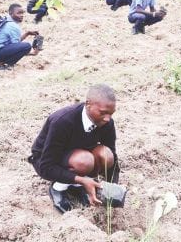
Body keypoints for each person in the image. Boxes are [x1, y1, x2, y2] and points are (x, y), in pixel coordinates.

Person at [29, 84, 119, 213]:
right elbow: (46, 167)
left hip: (78, 154)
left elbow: (113, 157)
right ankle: (58, 187)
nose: (107, 118)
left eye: (111, 113)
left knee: (106, 154)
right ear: (88, 104)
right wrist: (83, 179)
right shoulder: (62, 121)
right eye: (103, 112)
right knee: (84, 160)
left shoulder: (106, 122)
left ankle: (77, 186)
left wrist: (113, 188)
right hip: (47, 159)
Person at [0, 3, 40, 70]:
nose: (22, 15)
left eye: (22, 13)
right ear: (11, 13)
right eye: (19, 13)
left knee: (19, 46)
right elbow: (17, 49)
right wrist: (32, 53)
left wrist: (26, 34)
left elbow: (14, 46)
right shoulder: (13, 26)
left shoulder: (3, 20)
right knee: (27, 46)